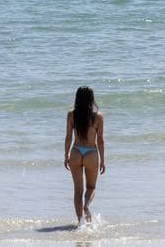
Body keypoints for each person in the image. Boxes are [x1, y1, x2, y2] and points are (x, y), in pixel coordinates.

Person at [63, 85, 105, 225]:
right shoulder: (98, 117)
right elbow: (100, 140)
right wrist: (103, 160)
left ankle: (80, 222)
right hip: (91, 153)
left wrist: (66, 155)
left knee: (77, 191)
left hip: (76, 151)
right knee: (91, 187)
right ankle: (86, 206)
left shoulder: (71, 115)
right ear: (91, 99)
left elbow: (68, 137)